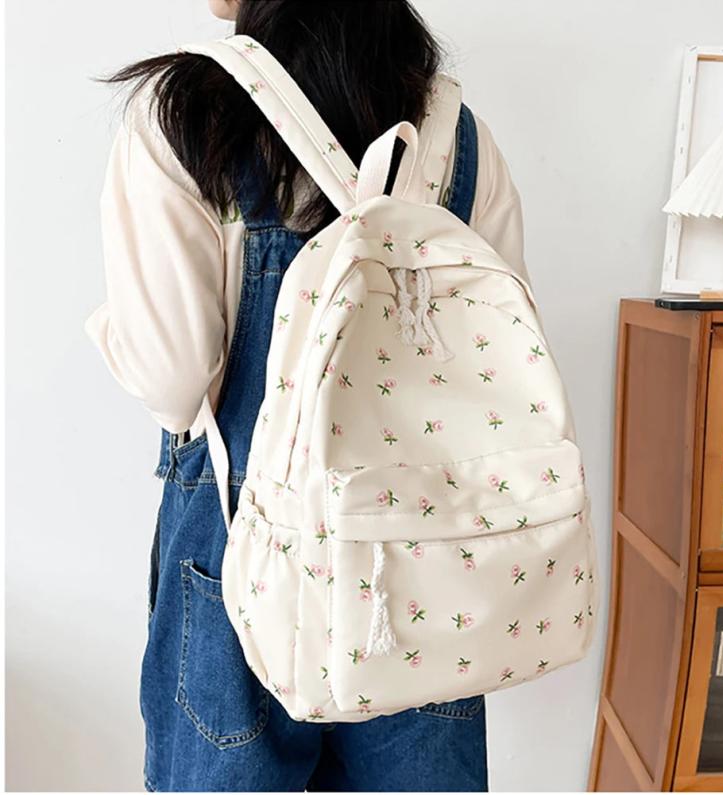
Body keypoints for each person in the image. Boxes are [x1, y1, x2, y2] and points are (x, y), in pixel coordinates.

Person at [85, 1, 529, 790]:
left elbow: (174, 382)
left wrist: (108, 328)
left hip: (239, 551)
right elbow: (498, 370)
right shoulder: (456, 138)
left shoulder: (185, 115)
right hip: (419, 560)